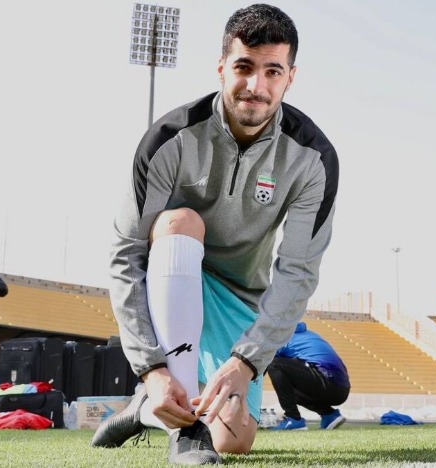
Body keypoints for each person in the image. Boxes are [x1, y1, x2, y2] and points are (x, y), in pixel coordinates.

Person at [91, 4, 338, 465]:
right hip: (173, 269)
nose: (256, 86)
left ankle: (144, 412)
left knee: (233, 440)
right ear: (222, 67)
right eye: (243, 67)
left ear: (290, 77)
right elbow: (126, 254)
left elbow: (298, 270)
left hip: (240, 294)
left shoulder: (313, 158)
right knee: (180, 221)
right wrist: (151, 368)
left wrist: (246, 361)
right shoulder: (170, 138)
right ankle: (183, 432)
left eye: (272, 71)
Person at [267, 321, 349, 431]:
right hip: (341, 388)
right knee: (288, 386)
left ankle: (293, 418)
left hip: (326, 380)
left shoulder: (283, 339)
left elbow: (262, 365)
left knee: (274, 365)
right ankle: (329, 415)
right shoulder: (309, 334)